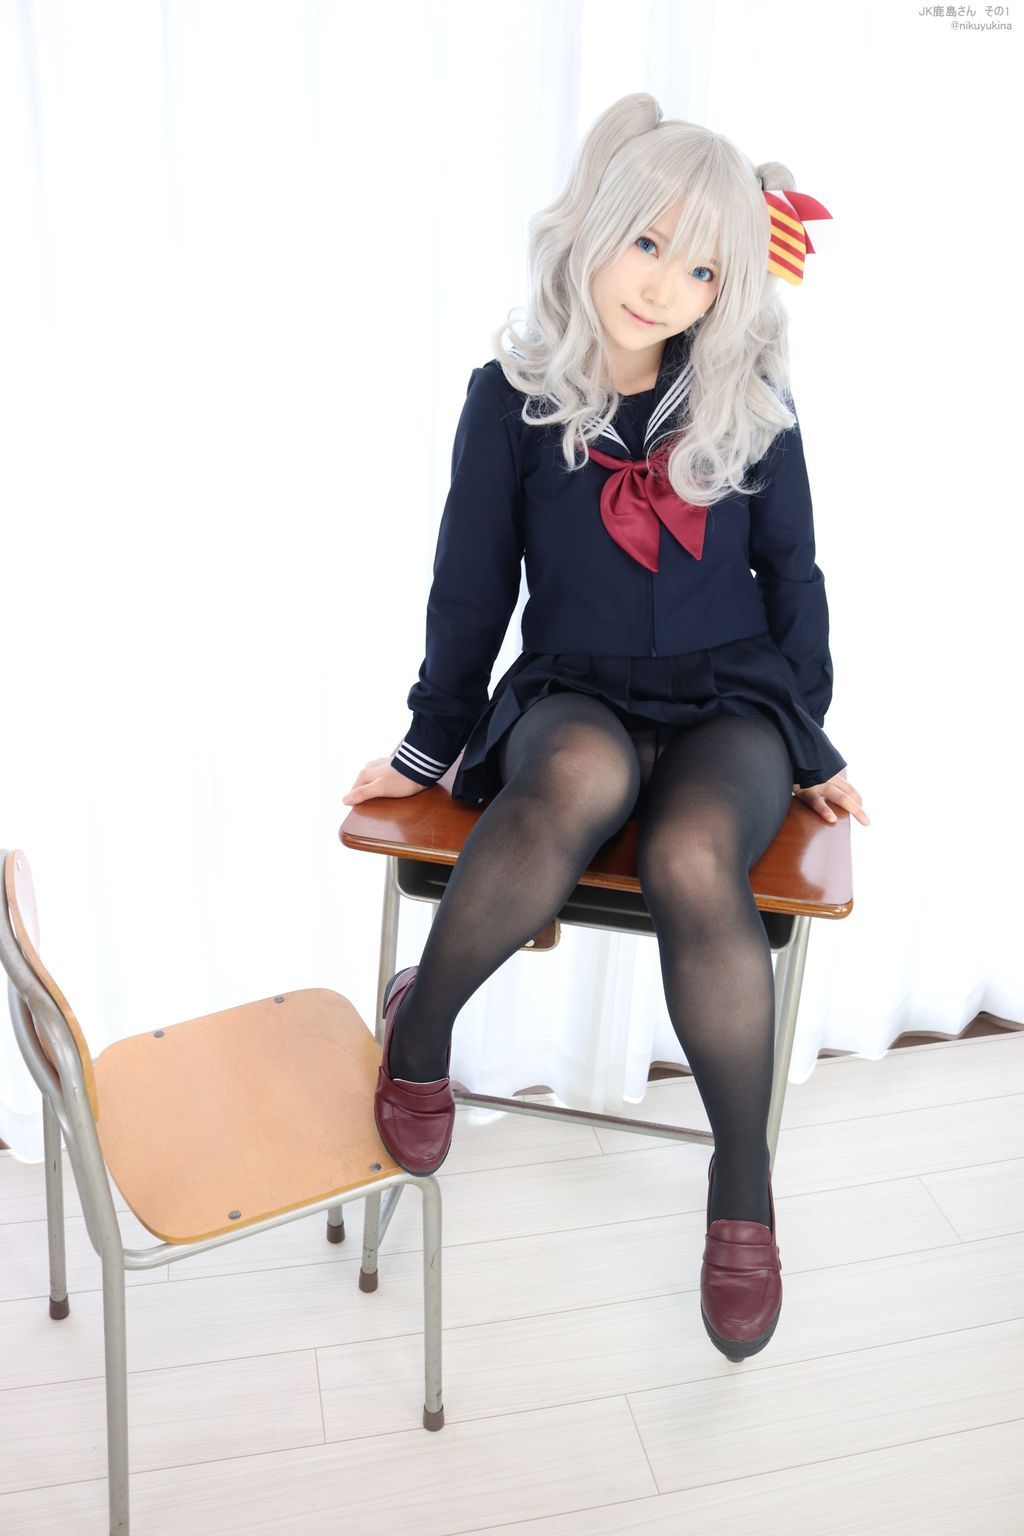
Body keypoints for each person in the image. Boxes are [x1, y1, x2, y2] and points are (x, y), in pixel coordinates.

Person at [343, 92, 870, 1359]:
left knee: (695, 854)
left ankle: (739, 1186)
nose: (664, 287)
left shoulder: (748, 397)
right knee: (573, 781)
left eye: (703, 269)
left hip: (729, 696)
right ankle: (421, 1034)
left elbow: (794, 573)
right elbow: (471, 590)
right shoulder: (510, 399)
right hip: (573, 687)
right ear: (594, 226)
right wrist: (424, 748)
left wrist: (814, 743)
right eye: (647, 244)